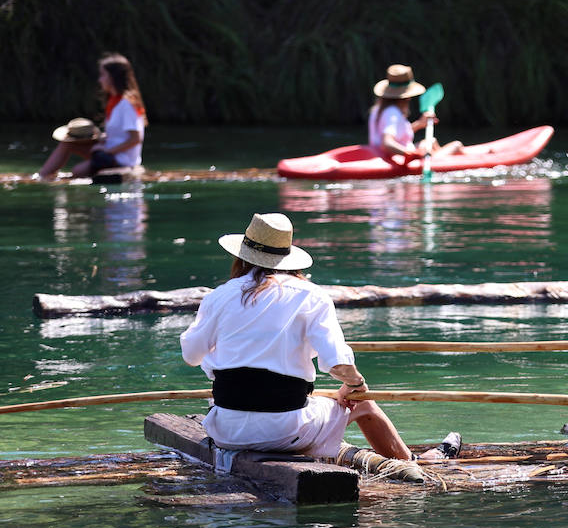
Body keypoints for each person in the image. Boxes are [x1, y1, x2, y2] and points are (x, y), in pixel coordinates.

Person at [180, 213, 412, 461]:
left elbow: (191, 356)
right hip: (285, 433)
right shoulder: (312, 296)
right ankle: (410, 465)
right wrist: (356, 386)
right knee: (363, 404)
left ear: (241, 256)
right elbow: (338, 363)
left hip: (226, 432)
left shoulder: (219, 296)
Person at [38, 53, 146, 180]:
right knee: (67, 144)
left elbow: (136, 139)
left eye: (103, 75)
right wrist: (101, 139)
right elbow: (119, 136)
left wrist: (107, 151)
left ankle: (43, 177)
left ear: (113, 77)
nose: (100, 80)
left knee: (77, 171)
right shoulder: (114, 102)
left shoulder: (126, 104)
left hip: (122, 160)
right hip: (110, 153)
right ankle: (42, 176)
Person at [367, 64, 463, 161]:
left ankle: (444, 160)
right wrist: (411, 154)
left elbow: (397, 133)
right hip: (398, 159)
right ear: (406, 96)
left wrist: (419, 124)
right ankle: (449, 162)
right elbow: (386, 143)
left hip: (387, 156)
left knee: (431, 141)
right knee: (457, 145)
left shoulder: (379, 109)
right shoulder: (392, 113)